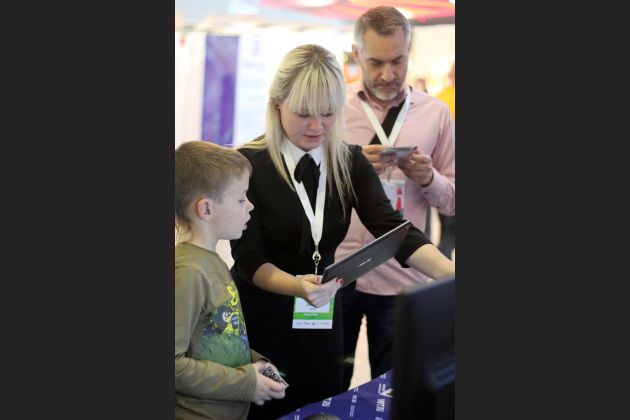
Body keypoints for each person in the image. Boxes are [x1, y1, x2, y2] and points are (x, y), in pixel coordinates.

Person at [229, 43, 455, 419]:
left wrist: (451, 275)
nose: (317, 126)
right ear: (277, 104)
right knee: (268, 407)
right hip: (262, 321)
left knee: (322, 405)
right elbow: (248, 258)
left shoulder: (349, 162)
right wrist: (296, 286)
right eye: (304, 114)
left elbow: (394, 229)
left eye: (328, 113)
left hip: (321, 321)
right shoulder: (248, 164)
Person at [335, 6, 456, 389]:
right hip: (336, 274)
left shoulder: (436, 114)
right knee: (328, 384)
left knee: (392, 391)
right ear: (357, 54)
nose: (388, 74)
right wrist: (349, 169)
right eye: (376, 62)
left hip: (402, 278)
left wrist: (430, 178)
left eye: (397, 61)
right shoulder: (333, 110)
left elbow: (453, 201)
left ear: (409, 52)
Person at [175, 140, 287, 420]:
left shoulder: (213, 261)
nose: (250, 206)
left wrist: (255, 363)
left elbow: (220, 335)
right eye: (241, 199)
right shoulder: (189, 272)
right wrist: (246, 383)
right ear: (206, 209)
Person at [435, 61, 456, 259]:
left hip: (443, 175)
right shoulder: (441, 102)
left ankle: (444, 266)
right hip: (448, 174)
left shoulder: (440, 100)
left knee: (447, 229)